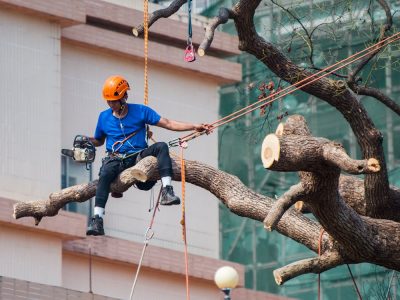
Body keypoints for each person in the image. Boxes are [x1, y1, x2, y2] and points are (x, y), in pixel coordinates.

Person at [86, 75, 209, 236]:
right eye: (108, 101)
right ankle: (97, 220)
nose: (111, 104)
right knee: (105, 174)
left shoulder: (140, 111)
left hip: (138, 156)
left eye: (114, 101)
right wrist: (86, 140)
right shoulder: (104, 117)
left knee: (161, 147)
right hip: (116, 158)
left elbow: (168, 123)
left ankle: (167, 191)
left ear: (124, 97)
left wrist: (194, 126)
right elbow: (99, 140)